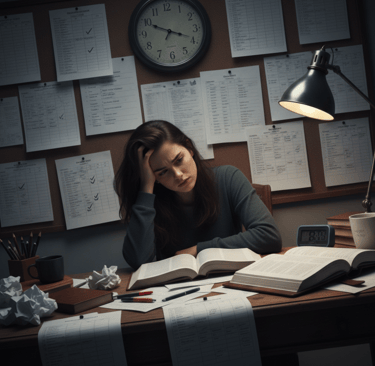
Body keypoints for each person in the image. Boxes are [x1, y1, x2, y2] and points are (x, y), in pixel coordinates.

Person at [115, 120, 282, 270]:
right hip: (175, 293)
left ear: (189, 148)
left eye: (178, 160)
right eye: (163, 172)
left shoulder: (228, 178)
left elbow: (269, 236)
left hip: (231, 282)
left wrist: (198, 249)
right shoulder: (152, 201)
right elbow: (139, 261)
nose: (178, 175)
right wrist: (146, 187)